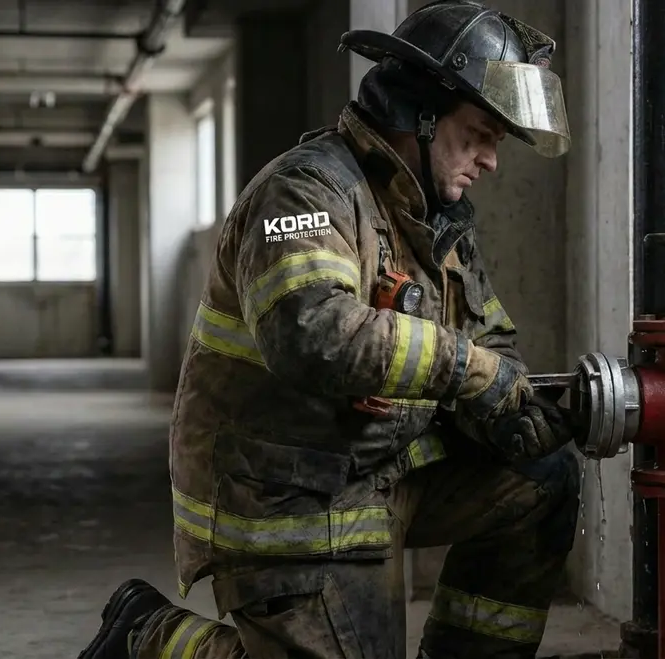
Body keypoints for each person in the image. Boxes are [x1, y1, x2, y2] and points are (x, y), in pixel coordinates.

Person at [78, 1, 580, 657]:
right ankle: (148, 636)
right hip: (286, 494)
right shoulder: (306, 191)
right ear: (422, 115)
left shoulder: (436, 219)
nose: (491, 161)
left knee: (542, 471)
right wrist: (472, 374)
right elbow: (311, 331)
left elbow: (489, 340)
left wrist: (510, 406)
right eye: (481, 133)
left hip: (379, 469)